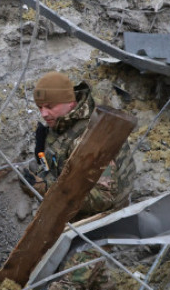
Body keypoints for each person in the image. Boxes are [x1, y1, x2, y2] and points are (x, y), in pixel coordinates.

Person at [29, 71, 126, 219]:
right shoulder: (59, 126)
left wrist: (47, 190)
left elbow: (106, 197)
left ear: (69, 102)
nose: (44, 114)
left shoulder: (92, 136)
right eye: (40, 107)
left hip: (96, 226)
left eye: (49, 106)